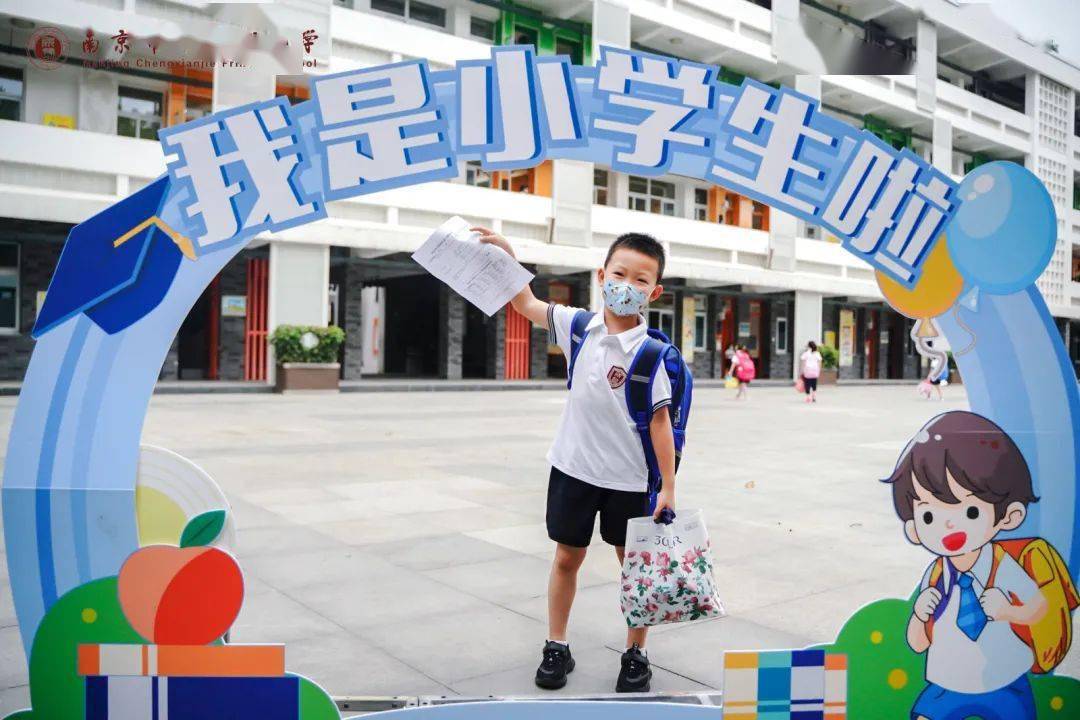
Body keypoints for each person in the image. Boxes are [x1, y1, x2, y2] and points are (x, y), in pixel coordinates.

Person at [474, 228, 677, 693]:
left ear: (655, 292)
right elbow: (526, 304)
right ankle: (557, 645)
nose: (627, 286)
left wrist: (668, 486)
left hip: (629, 480)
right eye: (620, 274)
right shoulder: (579, 327)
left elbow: (660, 423)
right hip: (573, 470)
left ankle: (636, 653)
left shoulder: (652, 353)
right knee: (567, 557)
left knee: (634, 567)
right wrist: (509, 257)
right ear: (601, 276)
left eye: (641, 280)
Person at [883, 412, 1048, 720]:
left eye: (971, 511)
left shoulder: (1001, 565)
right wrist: (919, 615)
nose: (948, 525)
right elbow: (917, 644)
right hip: (946, 681)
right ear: (914, 529)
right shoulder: (936, 576)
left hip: (1005, 679)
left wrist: (1008, 611)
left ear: (1009, 516)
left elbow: (1039, 608)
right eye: (929, 516)